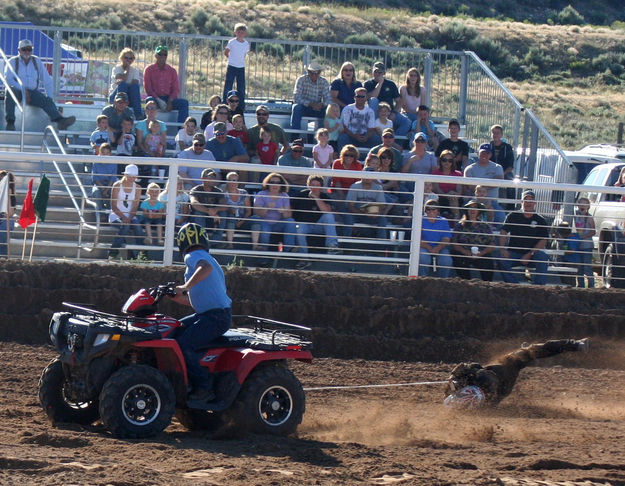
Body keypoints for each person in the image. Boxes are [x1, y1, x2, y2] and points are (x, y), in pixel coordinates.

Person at [168, 222, 232, 403]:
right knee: (173, 330)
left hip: (215, 316)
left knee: (183, 345)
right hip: (211, 314)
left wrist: (185, 286)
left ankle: (203, 388)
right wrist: (177, 297)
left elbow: (205, 268)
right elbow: (199, 300)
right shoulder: (203, 256)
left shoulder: (193, 255)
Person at [444, 338, 590, 409]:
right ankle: (574, 344)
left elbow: (466, 367)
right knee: (529, 352)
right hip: (506, 374)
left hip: (503, 368)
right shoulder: (488, 390)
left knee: (532, 351)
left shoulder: (462, 388)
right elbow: (475, 370)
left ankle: (574, 344)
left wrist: (454, 376)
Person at [3, 39, 76, 131]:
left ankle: (60, 121)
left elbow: (47, 80)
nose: (27, 52)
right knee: (9, 92)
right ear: (19, 50)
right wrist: (23, 90)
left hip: (32, 93)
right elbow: (8, 80)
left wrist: (50, 98)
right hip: (17, 91)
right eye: (24, 49)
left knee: (46, 100)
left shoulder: (36, 61)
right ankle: (10, 122)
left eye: (29, 49)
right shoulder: (13, 61)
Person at [498, 190, 549, 285]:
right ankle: (515, 286)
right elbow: (503, 231)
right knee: (502, 260)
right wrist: (502, 249)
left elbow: (543, 241)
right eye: (526, 200)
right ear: (522, 202)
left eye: (531, 200)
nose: (528, 203)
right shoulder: (513, 216)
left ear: (535, 203)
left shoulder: (541, 220)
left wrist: (530, 254)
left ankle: (539, 287)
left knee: (543, 256)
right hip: (514, 253)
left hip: (533, 255)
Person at [292, 175, 341, 265]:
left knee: (329, 215)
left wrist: (316, 198)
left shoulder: (324, 196)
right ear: (308, 185)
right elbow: (291, 211)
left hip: (319, 226)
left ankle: (332, 246)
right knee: (299, 228)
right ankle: (304, 258)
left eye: (317, 185)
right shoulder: (301, 195)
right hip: (304, 225)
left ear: (321, 187)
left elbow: (326, 210)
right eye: (312, 185)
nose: (314, 187)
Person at [143, 45, 189, 124]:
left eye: (165, 54)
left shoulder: (172, 71)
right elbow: (148, 88)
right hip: (155, 98)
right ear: (155, 55)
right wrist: (158, 99)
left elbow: (176, 89)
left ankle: (182, 129)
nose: (162, 56)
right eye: (160, 54)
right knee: (149, 101)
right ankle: (148, 127)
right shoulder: (149, 70)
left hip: (168, 98)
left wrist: (170, 100)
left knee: (184, 103)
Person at [451, 200, 495, 281]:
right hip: (464, 254)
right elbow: (454, 243)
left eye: (475, 208)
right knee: (456, 256)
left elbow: (492, 243)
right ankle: (466, 283)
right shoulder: (459, 226)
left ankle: (487, 285)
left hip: (480, 254)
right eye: (470, 208)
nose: (472, 210)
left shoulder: (485, 226)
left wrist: (482, 253)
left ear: (479, 211)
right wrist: (465, 252)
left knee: (488, 261)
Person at [363, 62, 411, 137]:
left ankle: (393, 140)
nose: (378, 74)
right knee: (373, 100)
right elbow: (371, 97)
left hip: (389, 113)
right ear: (372, 72)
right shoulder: (368, 84)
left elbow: (399, 101)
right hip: (376, 113)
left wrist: (394, 112)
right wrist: (380, 83)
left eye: (380, 72)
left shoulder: (391, 84)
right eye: (376, 71)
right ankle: (375, 130)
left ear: (384, 73)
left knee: (407, 122)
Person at [108, 164, 145, 259]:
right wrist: (124, 218)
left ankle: (140, 253)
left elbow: (135, 206)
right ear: (125, 175)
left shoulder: (138, 187)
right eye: (129, 176)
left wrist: (129, 217)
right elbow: (113, 206)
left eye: (133, 176)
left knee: (138, 229)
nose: (131, 178)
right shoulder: (117, 185)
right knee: (125, 226)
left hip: (130, 215)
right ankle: (113, 251)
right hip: (116, 215)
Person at [254, 173, 297, 252]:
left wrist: (284, 212)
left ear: (281, 185)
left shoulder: (285, 196)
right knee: (265, 231)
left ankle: (289, 250)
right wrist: (266, 208)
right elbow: (256, 213)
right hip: (264, 222)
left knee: (291, 222)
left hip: (278, 224)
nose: (275, 185)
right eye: (272, 182)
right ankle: (263, 258)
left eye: (278, 183)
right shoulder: (261, 194)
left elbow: (289, 215)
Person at [464, 143, 505, 224]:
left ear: (491, 154)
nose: (484, 155)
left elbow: (499, 181)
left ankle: (491, 232)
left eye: (487, 153)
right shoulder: (469, 168)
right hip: (473, 201)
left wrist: (480, 187)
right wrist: (488, 185)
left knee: (501, 217)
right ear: (478, 153)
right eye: (482, 152)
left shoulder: (497, 167)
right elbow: (470, 187)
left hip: (492, 201)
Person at [219, 171, 260, 250]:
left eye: (234, 180)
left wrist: (242, 221)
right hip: (230, 220)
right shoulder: (223, 194)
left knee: (256, 218)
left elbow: (248, 211)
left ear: (238, 182)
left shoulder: (243, 193)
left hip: (243, 219)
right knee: (231, 218)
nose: (232, 183)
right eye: (230, 180)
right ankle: (230, 245)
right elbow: (222, 208)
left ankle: (255, 246)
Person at [346, 168, 389, 239]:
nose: (367, 178)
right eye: (365, 175)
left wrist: (376, 213)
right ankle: (346, 243)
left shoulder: (378, 188)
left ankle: (382, 245)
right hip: (357, 215)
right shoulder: (354, 186)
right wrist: (363, 213)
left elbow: (382, 206)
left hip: (372, 215)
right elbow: (350, 206)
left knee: (382, 219)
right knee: (348, 218)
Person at [290, 61, 331, 133]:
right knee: (296, 108)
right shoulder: (301, 80)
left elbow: (328, 99)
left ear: (319, 73)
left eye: (317, 73)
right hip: (304, 107)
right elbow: (296, 97)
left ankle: (322, 135)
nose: (314, 75)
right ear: (308, 72)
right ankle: (295, 135)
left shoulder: (324, 82)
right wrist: (310, 104)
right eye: (312, 72)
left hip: (318, 107)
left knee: (327, 111)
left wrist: (322, 104)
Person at [247, 105, 290, 170]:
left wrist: (279, 155)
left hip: (274, 158)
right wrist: (257, 153)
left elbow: (286, 145)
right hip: (258, 160)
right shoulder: (251, 131)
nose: (261, 116)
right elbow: (247, 149)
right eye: (259, 114)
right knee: (255, 161)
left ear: (268, 116)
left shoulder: (276, 128)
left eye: (264, 114)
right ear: (256, 115)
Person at [338, 86, 381, 151]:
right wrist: (355, 136)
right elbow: (344, 128)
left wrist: (366, 136)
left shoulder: (370, 111)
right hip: (350, 135)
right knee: (343, 138)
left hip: (365, 136)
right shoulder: (348, 109)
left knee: (377, 139)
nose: (360, 98)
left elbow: (371, 129)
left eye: (362, 96)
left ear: (366, 98)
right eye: (358, 96)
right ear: (354, 97)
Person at [419, 199, 452, 277]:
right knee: (423, 257)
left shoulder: (444, 221)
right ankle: (423, 279)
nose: (431, 211)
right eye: (428, 209)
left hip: (440, 247)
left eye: (434, 209)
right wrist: (429, 248)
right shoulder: (420, 220)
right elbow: (417, 238)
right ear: (425, 210)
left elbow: (446, 239)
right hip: (424, 247)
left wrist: (438, 248)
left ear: (438, 211)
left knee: (446, 260)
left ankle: (443, 280)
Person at [189, 169, 225, 239]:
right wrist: (208, 211)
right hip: (198, 218)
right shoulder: (196, 190)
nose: (212, 179)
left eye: (213, 177)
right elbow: (194, 202)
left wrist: (216, 210)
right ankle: (202, 239)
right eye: (209, 177)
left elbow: (224, 205)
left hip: (213, 218)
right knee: (198, 213)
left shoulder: (218, 191)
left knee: (223, 213)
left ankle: (216, 240)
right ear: (202, 178)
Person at [109, 48, 143, 119]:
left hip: (129, 97)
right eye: (126, 58)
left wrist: (123, 81)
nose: (128, 60)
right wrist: (127, 69)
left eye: (130, 58)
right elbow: (122, 79)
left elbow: (135, 84)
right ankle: (118, 112)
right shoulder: (116, 69)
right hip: (115, 96)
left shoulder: (135, 70)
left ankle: (138, 115)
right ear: (121, 58)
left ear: (133, 60)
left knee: (134, 87)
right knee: (123, 85)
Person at [223, 23, 250, 109]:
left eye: (242, 32)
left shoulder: (246, 44)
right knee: (228, 85)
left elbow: (245, 54)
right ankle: (225, 102)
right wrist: (231, 59)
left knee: (241, 87)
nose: (240, 34)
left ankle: (241, 105)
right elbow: (226, 52)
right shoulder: (232, 42)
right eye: (238, 32)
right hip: (231, 66)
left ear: (245, 34)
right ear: (235, 32)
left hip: (241, 67)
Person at [432, 149, 462, 219]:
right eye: (444, 160)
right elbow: (436, 189)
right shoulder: (435, 173)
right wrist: (447, 195)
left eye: (450, 160)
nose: (447, 162)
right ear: (440, 160)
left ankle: (456, 219)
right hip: (440, 198)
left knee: (453, 198)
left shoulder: (458, 174)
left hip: (455, 198)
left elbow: (459, 191)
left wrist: (453, 194)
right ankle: (456, 218)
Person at [574, 196, 596, 288]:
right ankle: (580, 285)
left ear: (588, 206)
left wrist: (583, 236)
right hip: (578, 245)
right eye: (580, 204)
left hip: (587, 245)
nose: (582, 206)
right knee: (579, 267)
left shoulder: (589, 218)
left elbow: (593, 231)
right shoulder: (575, 216)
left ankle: (591, 286)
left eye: (584, 204)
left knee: (587, 266)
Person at [90, 143, 117, 213]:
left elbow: (113, 178)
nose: (105, 155)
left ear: (110, 153)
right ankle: (99, 214)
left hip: (110, 185)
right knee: (96, 192)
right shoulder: (95, 162)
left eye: (107, 153)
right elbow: (95, 178)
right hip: (99, 185)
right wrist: (103, 188)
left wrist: (107, 189)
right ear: (99, 152)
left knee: (114, 192)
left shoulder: (114, 162)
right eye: (103, 152)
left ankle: (111, 213)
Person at [0, 171, 16, 258]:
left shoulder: (10, 195)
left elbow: (9, 214)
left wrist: (8, 195)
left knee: (7, 223)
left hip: (4, 222)